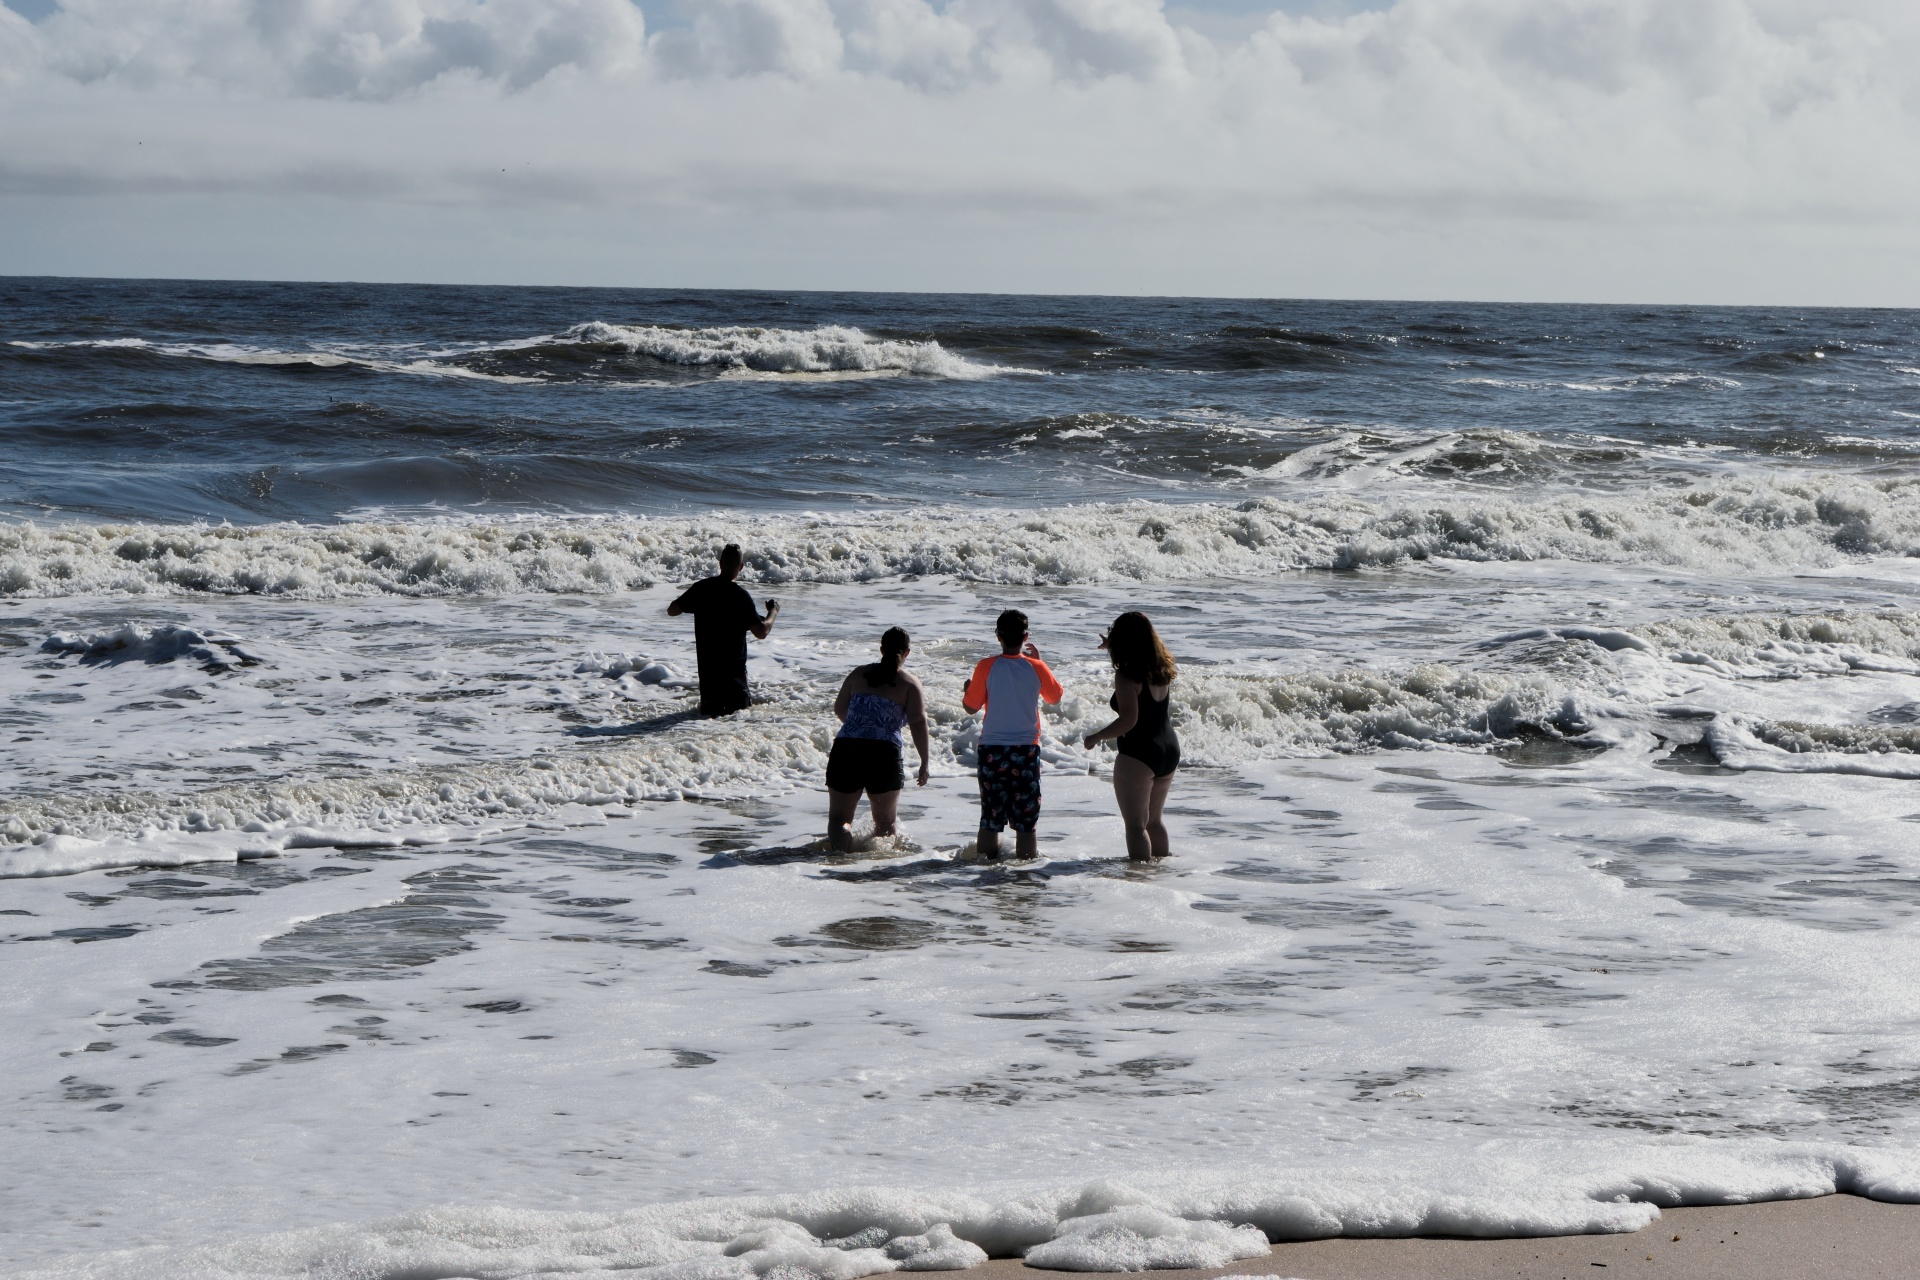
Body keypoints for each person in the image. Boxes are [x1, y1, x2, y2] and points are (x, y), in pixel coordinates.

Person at [961, 609, 1063, 861]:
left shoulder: (986, 666)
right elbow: (1055, 697)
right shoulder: (1037, 667)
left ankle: (984, 871)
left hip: (992, 750)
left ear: (998, 636)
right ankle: (1025, 875)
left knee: (990, 818)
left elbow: (970, 707)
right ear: (1026, 636)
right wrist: (1041, 663)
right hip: (1026, 750)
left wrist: (967, 689)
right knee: (1026, 821)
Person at [1082, 611, 1179, 862]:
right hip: (1168, 750)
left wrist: (1097, 736)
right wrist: (1112, 644)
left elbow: (1129, 720)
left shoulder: (1127, 675)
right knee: (1154, 822)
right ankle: (1162, 878)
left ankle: (1140, 884)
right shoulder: (1161, 669)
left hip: (1139, 753)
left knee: (1136, 826)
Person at [826, 627, 931, 851]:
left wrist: (860, 728)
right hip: (884, 754)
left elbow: (839, 709)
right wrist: (924, 762)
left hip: (846, 749)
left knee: (839, 820)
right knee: (885, 823)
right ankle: (876, 874)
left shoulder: (858, 674)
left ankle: (838, 859)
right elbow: (918, 722)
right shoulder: (910, 683)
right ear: (907, 653)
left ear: (881, 648)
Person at [666, 544, 779, 716]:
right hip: (734, 687)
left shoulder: (702, 588)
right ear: (741, 567)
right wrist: (773, 611)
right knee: (737, 726)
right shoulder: (740, 596)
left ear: (720, 563)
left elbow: (672, 610)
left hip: (709, 687)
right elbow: (761, 631)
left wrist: (692, 598)